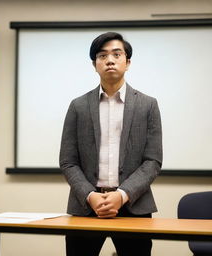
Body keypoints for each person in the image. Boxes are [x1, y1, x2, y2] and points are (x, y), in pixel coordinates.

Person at [59, 32, 162, 256]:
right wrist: (90, 195)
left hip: (134, 207)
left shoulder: (148, 105)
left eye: (117, 54)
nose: (110, 60)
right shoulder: (78, 106)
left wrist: (122, 194)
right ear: (94, 64)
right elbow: (68, 162)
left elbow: (152, 161)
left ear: (128, 62)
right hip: (86, 206)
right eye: (102, 55)